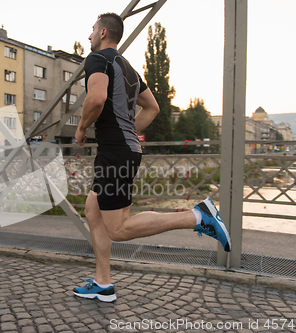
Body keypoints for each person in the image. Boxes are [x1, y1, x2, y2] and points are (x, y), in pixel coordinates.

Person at [73, 13, 231, 303]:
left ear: (104, 32)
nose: (89, 36)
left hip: (115, 153)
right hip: (123, 149)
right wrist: (127, 130)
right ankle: (102, 282)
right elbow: (153, 107)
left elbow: (95, 99)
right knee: (93, 211)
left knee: (118, 228)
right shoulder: (128, 68)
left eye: (92, 31)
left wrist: (82, 129)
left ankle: (197, 216)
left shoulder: (97, 59)